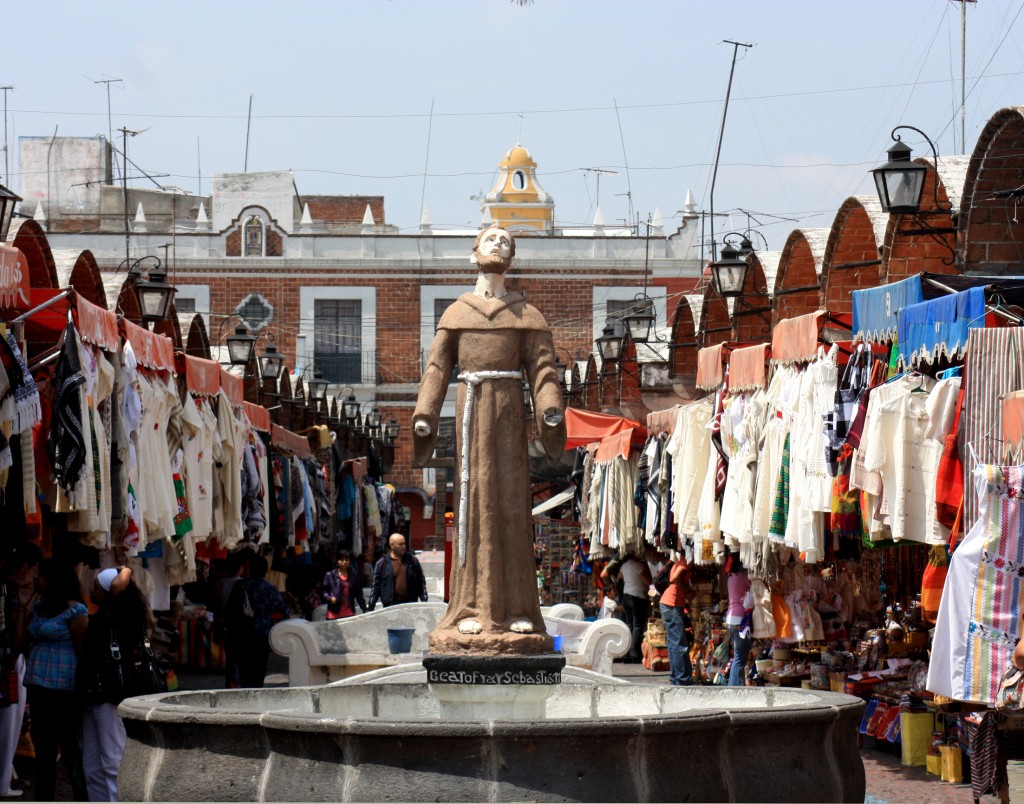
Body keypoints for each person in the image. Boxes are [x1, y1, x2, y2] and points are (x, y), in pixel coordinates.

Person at [412, 226, 565, 655]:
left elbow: (543, 369)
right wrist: (425, 414)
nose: (497, 245)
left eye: (505, 242)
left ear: (511, 258)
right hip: (472, 409)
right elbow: (437, 368)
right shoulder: (457, 313)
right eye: (491, 239)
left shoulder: (526, 314)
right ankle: (471, 609)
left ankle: (517, 608)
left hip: (509, 414)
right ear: (474, 252)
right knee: (474, 503)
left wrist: (549, 408)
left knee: (512, 504)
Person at [79, 566, 152, 802]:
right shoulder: (105, 614)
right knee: (91, 765)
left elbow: (120, 583)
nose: (92, 591)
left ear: (111, 591)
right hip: (93, 694)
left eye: (97, 588)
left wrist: (125, 569)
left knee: (112, 762)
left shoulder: (122, 614)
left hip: (109, 695)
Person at [22, 558, 88, 801]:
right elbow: (21, 642)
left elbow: (83, 652)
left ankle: (82, 797)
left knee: (70, 750)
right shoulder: (38, 607)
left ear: (53, 580)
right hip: (39, 686)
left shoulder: (76, 611)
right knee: (44, 751)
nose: (34, 578)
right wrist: (25, 606)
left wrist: (81, 693)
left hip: (65, 690)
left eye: (39, 575)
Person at [0, 544, 41, 799]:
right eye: (34, 569)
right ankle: (2, 782)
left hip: (8, 657)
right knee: (9, 723)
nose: (35, 575)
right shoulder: (16, 589)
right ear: (26, 567)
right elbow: (16, 631)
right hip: (9, 659)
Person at [224, 554, 290, 688]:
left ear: (250, 569)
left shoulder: (241, 585)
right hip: (262, 635)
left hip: (242, 634)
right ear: (266, 570)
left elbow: (229, 610)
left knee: (245, 670)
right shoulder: (269, 588)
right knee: (259, 670)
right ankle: (256, 694)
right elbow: (285, 611)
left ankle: (245, 693)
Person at [210, 551, 246, 688]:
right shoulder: (244, 584)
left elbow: (215, 606)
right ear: (241, 568)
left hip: (224, 624)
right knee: (239, 655)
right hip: (239, 625)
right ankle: (236, 681)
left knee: (230, 656)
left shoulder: (220, 583)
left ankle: (231, 681)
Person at [368, 534, 427, 609]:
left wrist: (424, 602)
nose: (404, 546)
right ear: (392, 545)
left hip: (410, 605)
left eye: (404, 544)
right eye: (400, 544)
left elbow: (421, 582)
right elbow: (375, 587)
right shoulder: (382, 563)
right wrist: (371, 605)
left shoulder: (413, 561)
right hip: (390, 606)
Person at [659, 557, 693, 686]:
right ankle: (682, 678)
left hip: (669, 603)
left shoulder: (679, 561)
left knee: (674, 644)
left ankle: (676, 678)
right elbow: (675, 578)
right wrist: (687, 591)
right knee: (679, 643)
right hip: (672, 603)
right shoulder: (685, 561)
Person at [725, 554, 753, 687]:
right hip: (740, 620)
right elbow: (755, 588)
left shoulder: (730, 577)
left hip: (731, 619)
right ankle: (736, 689)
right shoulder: (744, 577)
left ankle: (736, 686)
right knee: (740, 658)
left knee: (737, 656)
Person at [619, 554, 653, 664]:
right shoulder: (638, 565)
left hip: (626, 596)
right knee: (637, 625)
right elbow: (647, 581)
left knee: (629, 625)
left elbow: (619, 577)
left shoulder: (624, 565)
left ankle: (627, 652)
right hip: (637, 597)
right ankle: (634, 654)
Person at [321, 550, 366, 619]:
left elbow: (359, 594)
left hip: (349, 613)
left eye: (347, 559)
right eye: (341, 560)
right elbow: (324, 591)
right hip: (333, 614)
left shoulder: (354, 575)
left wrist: (364, 608)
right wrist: (330, 598)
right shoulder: (330, 575)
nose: (344, 562)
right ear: (337, 561)